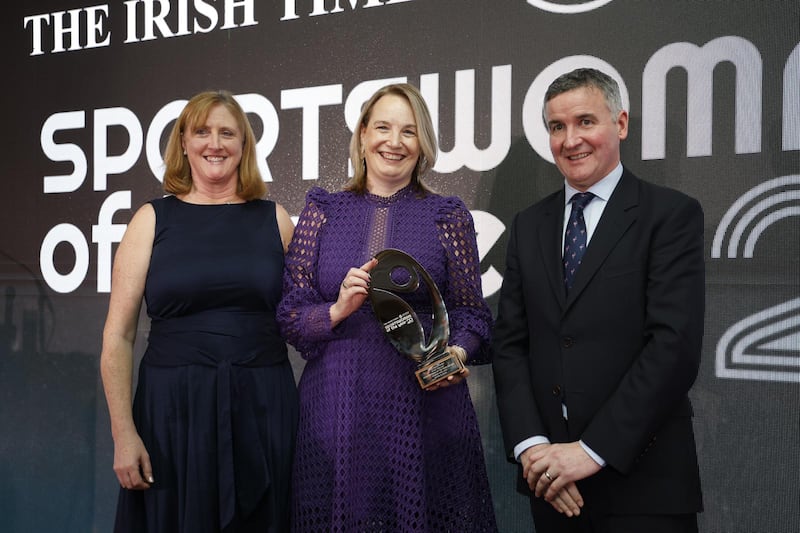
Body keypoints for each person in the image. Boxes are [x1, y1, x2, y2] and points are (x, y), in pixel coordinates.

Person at [277, 83, 497, 532]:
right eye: (382, 127)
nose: (394, 142)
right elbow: (290, 316)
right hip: (337, 408)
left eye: (408, 131)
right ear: (361, 135)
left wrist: (455, 354)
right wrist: (336, 310)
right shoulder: (323, 210)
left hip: (424, 406)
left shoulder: (447, 216)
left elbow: (473, 315)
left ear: (423, 145)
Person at [492, 68, 704, 532]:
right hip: (551, 485)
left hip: (645, 487)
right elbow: (510, 345)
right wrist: (532, 447)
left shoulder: (670, 216)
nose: (571, 140)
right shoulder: (528, 225)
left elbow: (674, 348)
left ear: (621, 124)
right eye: (557, 127)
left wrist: (589, 452)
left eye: (586, 121)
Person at [100, 90, 299, 533]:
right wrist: (123, 433)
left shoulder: (277, 220)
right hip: (171, 415)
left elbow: (305, 315)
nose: (215, 143)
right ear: (184, 143)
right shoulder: (150, 220)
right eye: (202, 131)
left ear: (244, 146)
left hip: (263, 408)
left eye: (228, 132)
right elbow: (118, 336)